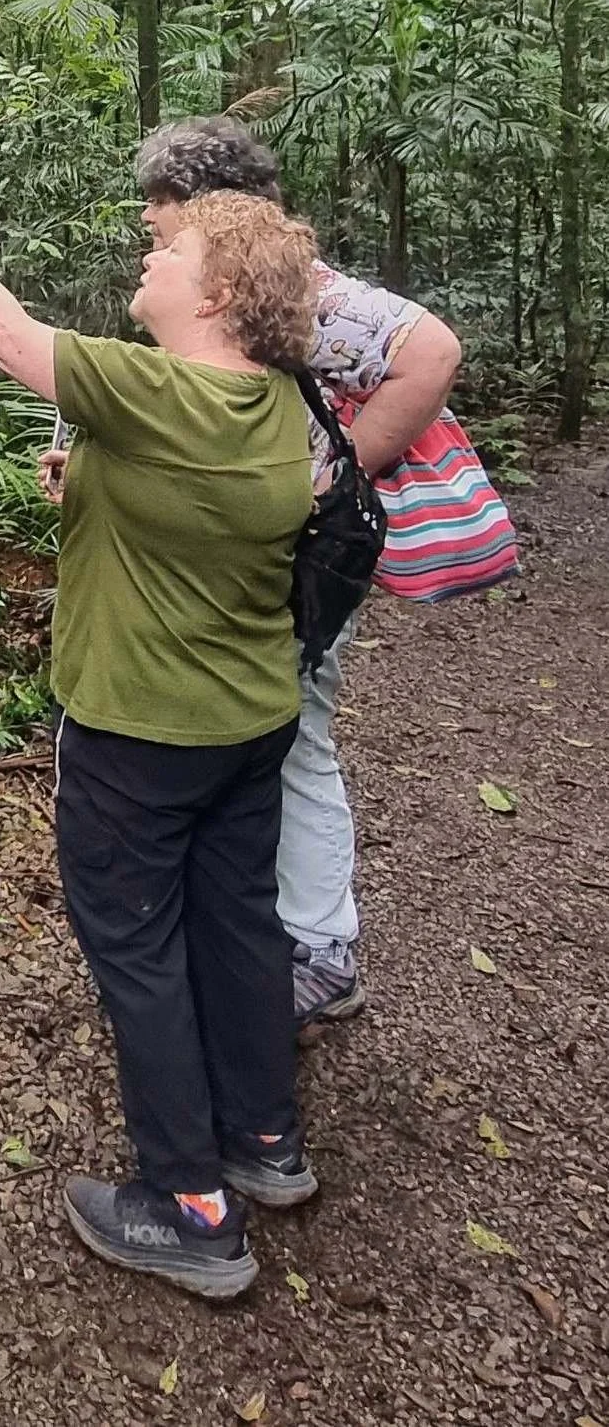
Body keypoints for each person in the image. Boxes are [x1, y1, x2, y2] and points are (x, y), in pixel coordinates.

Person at [0, 179, 322, 1299]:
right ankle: (266, 1143)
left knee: (138, 948)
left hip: (140, 733)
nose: (148, 262)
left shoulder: (149, 388)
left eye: (167, 250)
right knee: (237, 922)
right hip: (251, 721)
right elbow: (201, 495)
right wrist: (94, 476)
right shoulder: (276, 402)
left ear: (217, 291)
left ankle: (189, 1209)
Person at [109, 117, 517, 1026]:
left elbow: (430, 351)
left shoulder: (292, 286)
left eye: (159, 202)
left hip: (295, 559)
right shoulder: (214, 284)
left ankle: (320, 950)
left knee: (293, 740)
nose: (147, 218)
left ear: (202, 204)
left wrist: (335, 481)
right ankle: (258, 930)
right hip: (236, 557)